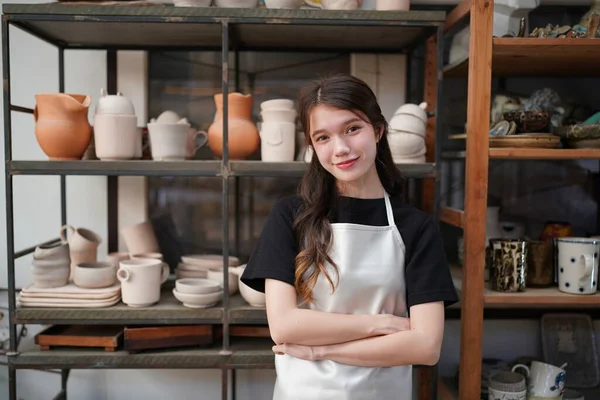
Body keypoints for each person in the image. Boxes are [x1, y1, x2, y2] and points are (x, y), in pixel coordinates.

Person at [240, 74, 459, 400]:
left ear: (378, 130)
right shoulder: (290, 217)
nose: (340, 149)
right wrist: (380, 323)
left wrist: (320, 351)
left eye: (352, 129)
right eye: (323, 137)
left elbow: (426, 347)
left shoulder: (417, 228)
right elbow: (285, 327)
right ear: (313, 146)